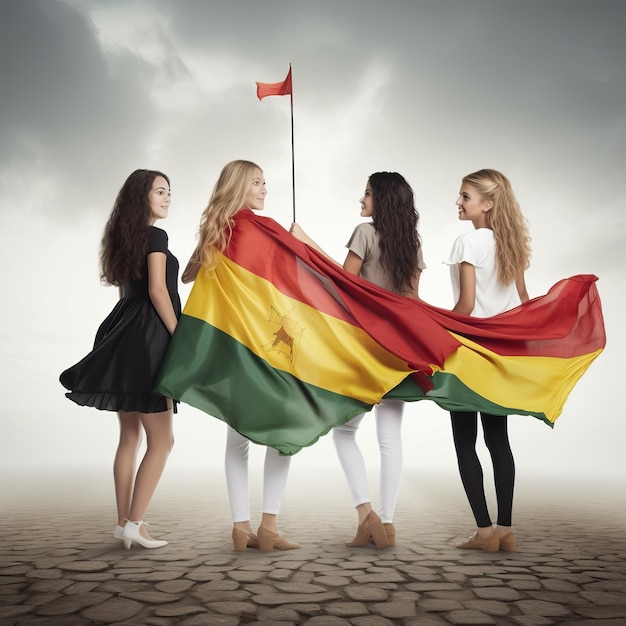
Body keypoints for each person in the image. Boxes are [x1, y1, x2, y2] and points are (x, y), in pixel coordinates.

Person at [290, 171, 424, 548]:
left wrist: (305, 243)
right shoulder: (411, 243)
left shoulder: (364, 232)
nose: (361, 199)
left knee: (345, 431)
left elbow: (342, 285)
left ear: (381, 198)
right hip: (399, 348)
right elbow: (412, 301)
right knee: (390, 439)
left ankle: (366, 515)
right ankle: (389, 521)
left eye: (366, 192)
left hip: (365, 347)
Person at [182, 159, 300, 553]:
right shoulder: (261, 228)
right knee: (281, 433)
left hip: (230, 347)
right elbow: (286, 283)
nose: (265, 190)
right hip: (266, 346)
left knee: (238, 439)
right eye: (257, 183)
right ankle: (268, 527)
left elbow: (189, 276)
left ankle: (240, 529)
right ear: (238, 188)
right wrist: (295, 242)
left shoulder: (217, 228)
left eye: (265, 183)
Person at [60, 169, 180, 550]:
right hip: (149, 340)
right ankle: (136, 524)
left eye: (169, 192)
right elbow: (159, 292)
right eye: (159, 191)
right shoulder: (156, 235)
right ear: (140, 196)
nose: (167, 197)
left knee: (129, 436)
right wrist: (179, 338)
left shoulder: (121, 238)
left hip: (120, 334)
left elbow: (125, 296)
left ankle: (122, 524)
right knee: (162, 441)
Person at [445, 168, 531, 552]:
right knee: (499, 440)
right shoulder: (511, 247)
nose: (459, 202)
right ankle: (507, 531)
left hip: (468, 352)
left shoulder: (469, 242)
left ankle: (483, 533)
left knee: (465, 442)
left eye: (465, 196)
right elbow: (524, 305)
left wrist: (436, 332)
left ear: (487, 203)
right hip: (500, 354)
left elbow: (465, 306)